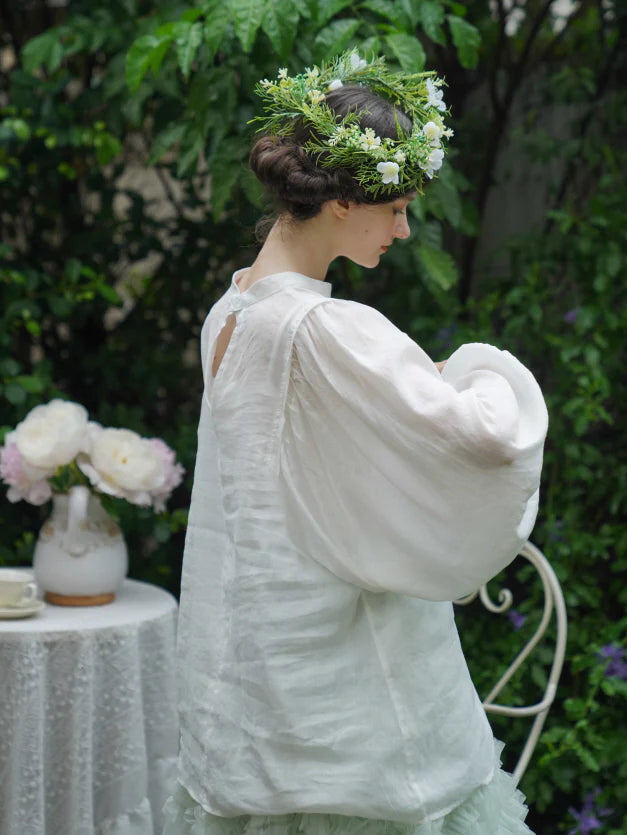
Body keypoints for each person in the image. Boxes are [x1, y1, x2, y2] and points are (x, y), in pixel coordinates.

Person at [162, 50, 548, 835]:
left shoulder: (231, 311)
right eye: (396, 207)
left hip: (254, 675)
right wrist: (479, 369)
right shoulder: (323, 330)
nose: (404, 228)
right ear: (339, 202)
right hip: (348, 694)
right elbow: (486, 439)